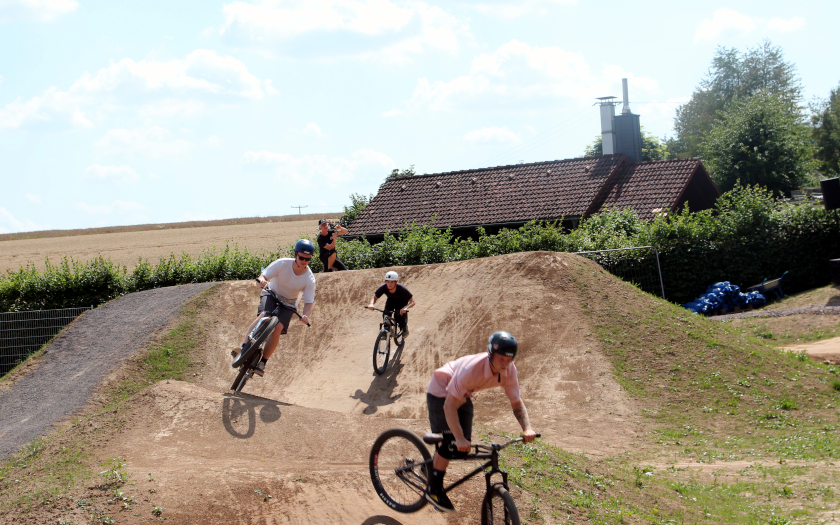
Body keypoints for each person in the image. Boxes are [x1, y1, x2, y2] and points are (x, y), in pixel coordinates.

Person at [424, 331, 537, 512]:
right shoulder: (472, 370)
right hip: (441, 390)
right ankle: (434, 490)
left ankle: (432, 465)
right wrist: (458, 438)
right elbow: (449, 406)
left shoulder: (509, 371)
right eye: (501, 359)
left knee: (462, 447)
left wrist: (527, 428)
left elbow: (516, 402)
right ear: (490, 354)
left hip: (463, 394)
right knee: (453, 441)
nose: (505, 364)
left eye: (509, 360)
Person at [233, 239, 317, 377]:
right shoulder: (282, 263)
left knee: (278, 328)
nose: (304, 261)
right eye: (301, 257)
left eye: (307, 259)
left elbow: (308, 302)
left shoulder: (309, 279)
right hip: (272, 293)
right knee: (264, 315)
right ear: (295, 254)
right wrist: (262, 280)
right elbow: (263, 276)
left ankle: (263, 362)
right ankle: (244, 347)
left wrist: (306, 315)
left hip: (289, 303)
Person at [366, 271, 414, 337]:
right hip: (391, 300)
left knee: (398, 316)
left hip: (402, 301)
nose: (389, 284)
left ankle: (404, 328)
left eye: (392, 282)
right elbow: (374, 297)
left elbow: (412, 302)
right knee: (385, 314)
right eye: (388, 281)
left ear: (396, 282)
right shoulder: (383, 288)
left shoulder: (402, 289)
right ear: (385, 282)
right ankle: (386, 331)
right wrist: (371, 304)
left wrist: (405, 308)